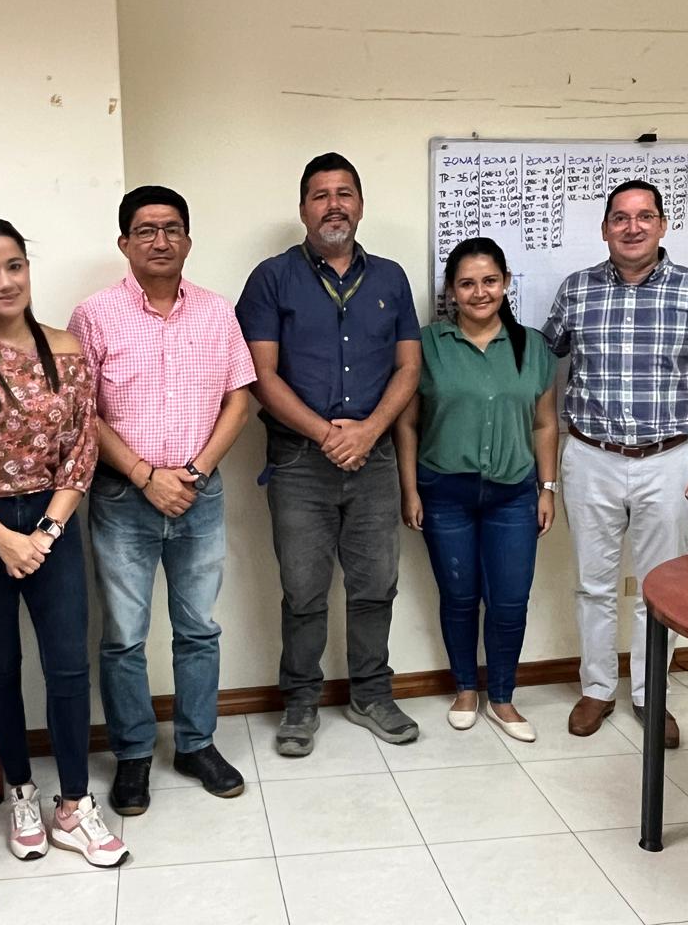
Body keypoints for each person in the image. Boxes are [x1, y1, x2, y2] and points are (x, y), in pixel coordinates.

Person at [0, 217, 128, 867]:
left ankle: (74, 803)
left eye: (14, 266)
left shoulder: (66, 348)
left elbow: (82, 445)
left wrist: (45, 532)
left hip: (51, 523)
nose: (4, 282)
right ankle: (21, 791)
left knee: (68, 666)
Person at [68, 185, 255, 816]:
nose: (160, 240)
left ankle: (197, 744)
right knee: (124, 636)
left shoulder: (217, 312)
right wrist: (147, 476)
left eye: (172, 229)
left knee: (199, 628)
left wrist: (195, 471)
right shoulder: (94, 316)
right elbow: (83, 412)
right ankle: (133, 754)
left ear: (188, 241)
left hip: (200, 494)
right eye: (146, 230)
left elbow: (238, 400)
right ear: (124, 242)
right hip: (124, 497)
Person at [236, 152, 422, 757]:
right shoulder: (271, 278)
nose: (333, 205)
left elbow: (409, 367)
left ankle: (371, 694)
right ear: (303, 209)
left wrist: (367, 432)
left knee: (376, 585)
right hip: (298, 463)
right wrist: (328, 434)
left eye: (344, 193)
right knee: (304, 591)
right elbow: (260, 375)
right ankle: (300, 702)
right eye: (320, 195)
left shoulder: (391, 278)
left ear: (360, 205)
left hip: (375, 460)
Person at [542, 179, 688, 749]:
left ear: (662, 224)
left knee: (662, 589)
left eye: (644, 216)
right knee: (593, 585)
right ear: (605, 228)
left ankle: (653, 695)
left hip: (668, 461)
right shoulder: (576, 290)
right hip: (590, 457)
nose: (633, 227)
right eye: (621, 218)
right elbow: (542, 363)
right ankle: (598, 689)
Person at [394, 237, 558, 742]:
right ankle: (466, 688)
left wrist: (547, 488)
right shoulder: (427, 346)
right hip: (445, 492)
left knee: (509, 600)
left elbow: (545, 424)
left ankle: (502, 696)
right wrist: (409, 490)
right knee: (459, 596)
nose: (479, 292)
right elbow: (407, 424)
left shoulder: (533, 347)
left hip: (514, 494)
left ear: (506, 283)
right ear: (451, 291)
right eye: (467, 283)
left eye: (489, 281)